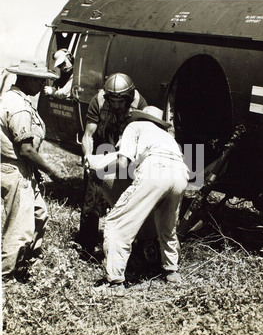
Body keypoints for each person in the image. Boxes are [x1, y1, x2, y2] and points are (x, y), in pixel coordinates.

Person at [88, 106, 189, 296]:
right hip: (180, 174)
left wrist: (98, 168)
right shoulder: (167, 136)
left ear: (140, 116)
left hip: (155, 169)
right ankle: (172, 272)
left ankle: (115, 283)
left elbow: (123, 163)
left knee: (117, 223)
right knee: (167, 226)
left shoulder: (134, 127)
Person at [1, 59, 63, 283]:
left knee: (39, 215)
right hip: (16, 171)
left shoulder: (17, 99)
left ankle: (27, 263)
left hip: (24, 171)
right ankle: (6, 277)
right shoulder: (18, 107)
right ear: (27, 80)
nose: (42, 86)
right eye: (39, 81)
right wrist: (53, 172)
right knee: (20, 228)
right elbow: (25, 149)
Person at [77, 72, 148, 256]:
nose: (116, 105)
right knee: (91, 196)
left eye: (121, 101)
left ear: (130, 97)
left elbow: (142, 136)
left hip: (126, 151)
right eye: (113, 101)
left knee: (126, 196)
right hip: (103, 146)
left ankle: (131, 244)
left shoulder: (140, 104)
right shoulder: (98, 101)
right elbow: (88, 135)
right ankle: (86, 245)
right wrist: (89, 158)